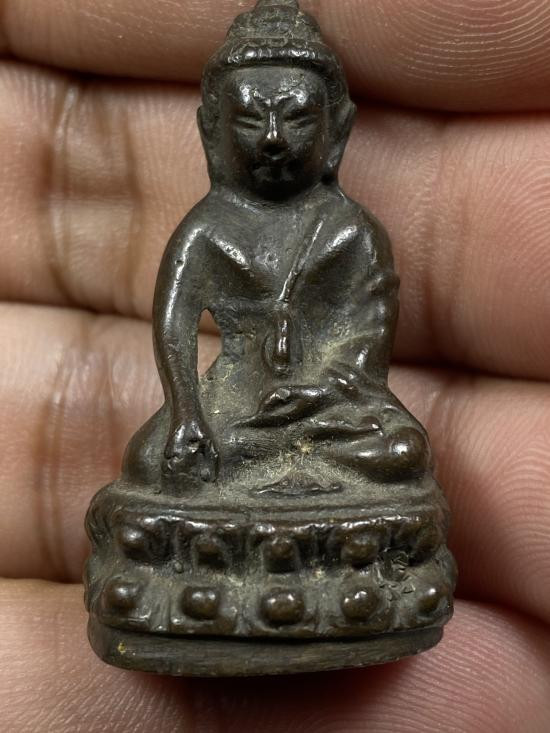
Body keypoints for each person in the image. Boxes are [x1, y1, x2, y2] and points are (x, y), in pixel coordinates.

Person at [1, 0, 550, 729]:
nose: (271, 138)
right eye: (249, 118)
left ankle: (230, 570)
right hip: (230, 406)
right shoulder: (207, 228)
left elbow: (366, 341)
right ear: (211, 130)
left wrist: (320, 394)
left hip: (332, 411)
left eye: (295, 117)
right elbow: (173, 324)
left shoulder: (353, 232)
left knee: (399, 452)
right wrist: (188, 414)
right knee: (155, 460)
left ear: (337, 130)